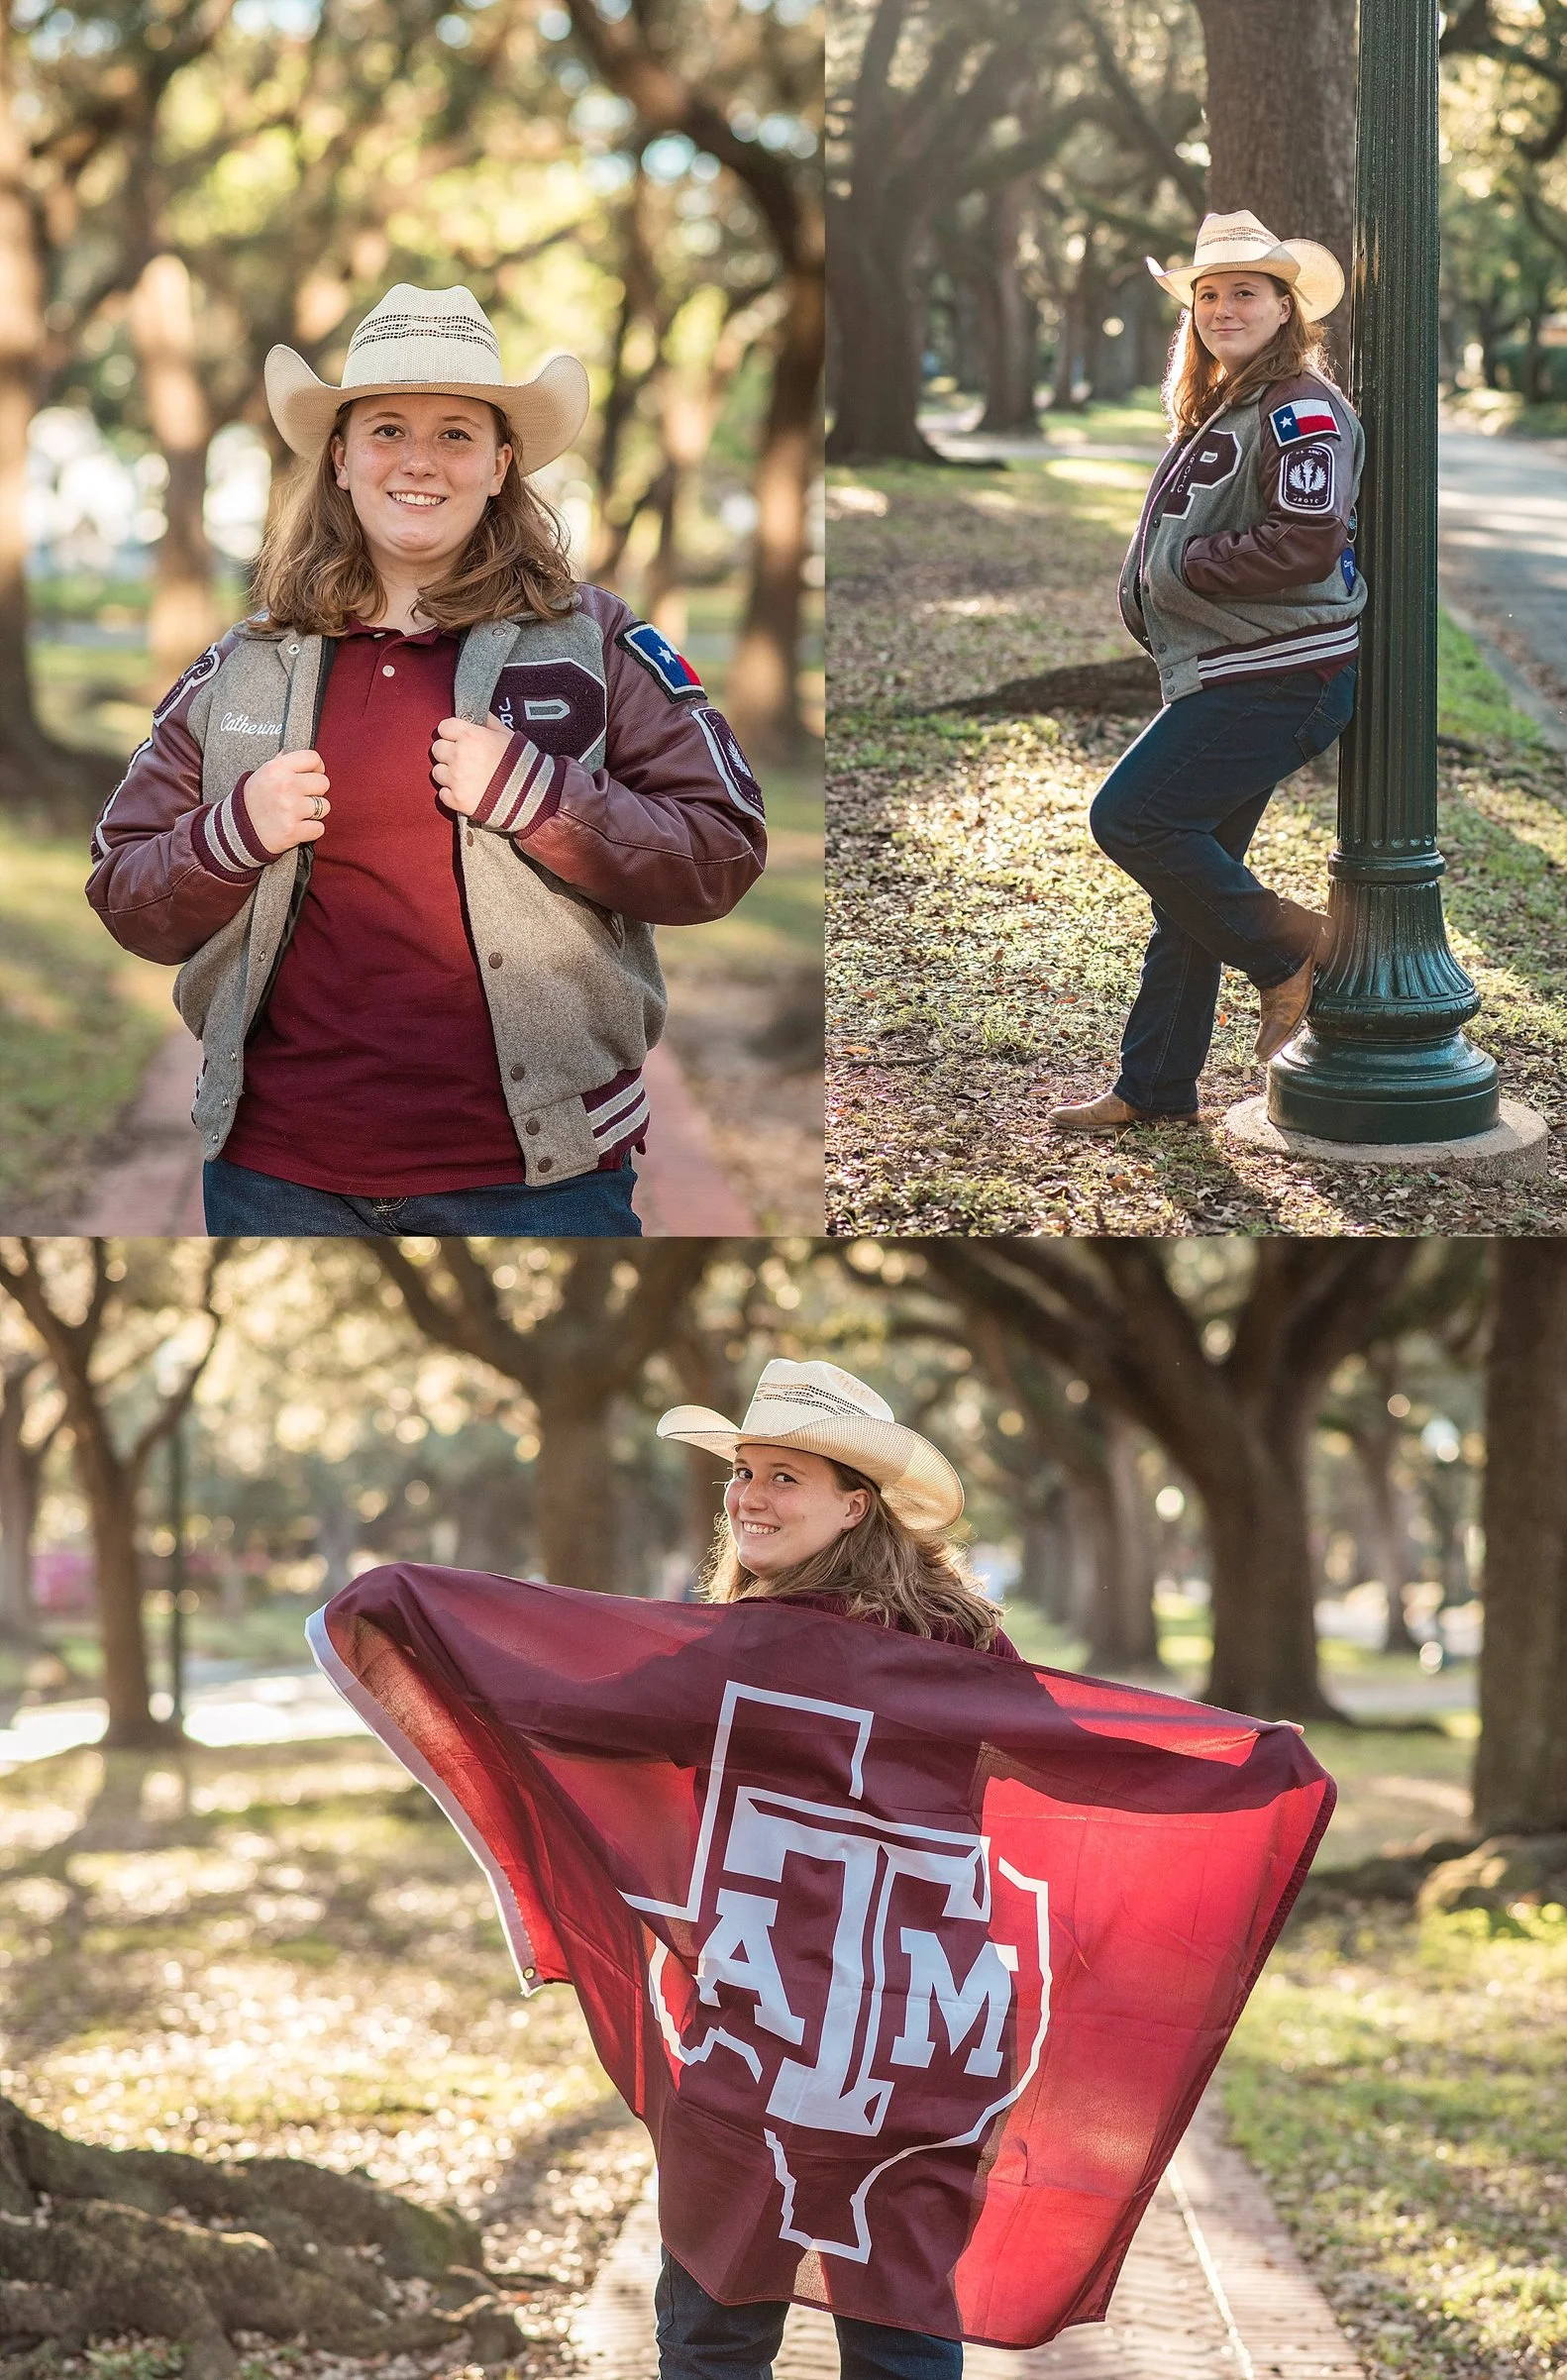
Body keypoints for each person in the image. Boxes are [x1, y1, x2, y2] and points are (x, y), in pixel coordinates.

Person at [87, 284, 769, 1236]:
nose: (418, 461)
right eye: (386, 430)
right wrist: (233, 833)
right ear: (340, 457)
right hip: (273, 1173)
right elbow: (123, 884)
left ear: (501, 464)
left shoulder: (598, 641)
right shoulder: (245, 663)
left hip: (540, 1182)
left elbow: (723, 848)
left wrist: (542, 796)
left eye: (455, 433)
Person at [650, 1358, 1005, 2380]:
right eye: (743, 1471)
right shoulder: (964, 1641)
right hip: (884, 2030)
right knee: (888, 2335)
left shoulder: (943, 1649)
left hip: (833, 2030)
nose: (749, 1496)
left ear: (856, 1506)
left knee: (723, 2330)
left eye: (785, 1476)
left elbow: (1077, 1755)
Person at [1051, 210, 1365, 1133]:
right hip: (1226, 670)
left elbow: (1308, 541)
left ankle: (1295, 950)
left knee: (1131, 817)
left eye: (1245, 293)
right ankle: (1155, 1087)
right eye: (1210, 294)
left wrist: (1186, 569)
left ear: (1285, 307)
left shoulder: (1302, 404)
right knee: (1189, 884)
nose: (1224, 307)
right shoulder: (1227, 403)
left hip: (1280, 674)